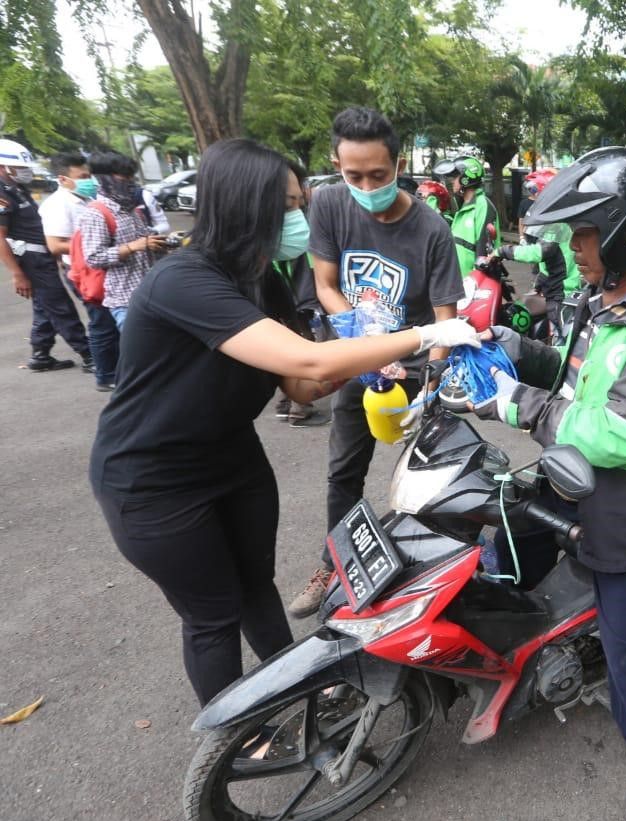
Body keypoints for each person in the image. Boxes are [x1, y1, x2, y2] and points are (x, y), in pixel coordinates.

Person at [88, 138, 479, 706]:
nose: (301, 218)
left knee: (256, 589)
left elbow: (301, 384)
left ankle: (297, 691)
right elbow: (307, 360)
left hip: (234, 461)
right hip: (153, 482)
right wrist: (427, 334)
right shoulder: (183, 280)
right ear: (250, 206)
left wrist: (368, 366)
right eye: (290, 206)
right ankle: (240, 737)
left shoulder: (263, 280)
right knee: (213, 614)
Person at [475, 147, 626, 821]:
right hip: (571, 473)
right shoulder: (603, 294)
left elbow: (619, 434)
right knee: (507, 537)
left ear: (621, 233)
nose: (572, 248)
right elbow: (575, 375)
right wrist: (510, 348)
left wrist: (521, 405)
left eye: (582, 234)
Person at [287, 107, 466, 618]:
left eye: (379, 175)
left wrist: (431, 386)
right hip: (359, 359)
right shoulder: (328, 205)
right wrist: (362, 336)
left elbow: (444, 316)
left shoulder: (430, 228)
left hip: (416, 364)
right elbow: (326, 285)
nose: (367, 186)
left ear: (399, 162)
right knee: (344, 471)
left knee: (434, 475)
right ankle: (332, 566)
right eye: (354, 175)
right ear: (337, 165)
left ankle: (442, 580)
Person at [0, 139, 93, 374]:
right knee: (60, 306)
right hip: (30, 260)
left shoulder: (16, 189)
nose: (26, 173)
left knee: (45, 305)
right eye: (21, 168)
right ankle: (89, 354)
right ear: (4, 167)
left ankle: (41, 354)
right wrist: (17, 274)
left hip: (41, 257)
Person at [40, 151, 120, 391]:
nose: (89, 180)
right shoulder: (57, 205)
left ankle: (117, 369)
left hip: (100, 266)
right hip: (83, 272)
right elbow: (54, 245)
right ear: (63, 178)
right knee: (102, 322)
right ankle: (105, 374)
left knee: (112, 319)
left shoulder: (85, 199)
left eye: (89, 175)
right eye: (82, 176)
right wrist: (99, 243)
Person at [270, 160, 330, 428]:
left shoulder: (277, 240)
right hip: (297, 302)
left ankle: (286, 403)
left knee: (283, 354)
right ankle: (298, 409)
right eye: (287, 204)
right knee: (301, 350)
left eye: (298, 203)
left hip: (288, 300)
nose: (296, 211)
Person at [80, 151, 168, 332]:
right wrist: (133, 247)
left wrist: (160, 243)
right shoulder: (96, 213)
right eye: (124, 177)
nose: (130, 182)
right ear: (104, 178)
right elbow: (94, 258)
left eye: (131, 176)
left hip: (151, 293)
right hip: (125, 301)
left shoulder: (131, 210)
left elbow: (145, 242)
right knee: (142, 355)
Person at [490, 220, 579, 342]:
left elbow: (539, 252)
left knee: (559, 327)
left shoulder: (558, 226)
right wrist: (538, 284)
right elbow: (550, 265)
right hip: (554, 284)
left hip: (564, 289)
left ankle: (560, 350)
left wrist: (503, 251)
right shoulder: (556, 223)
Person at [434, 155, 497, 277]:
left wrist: (476, 280)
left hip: (473, 283)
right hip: (459, 280)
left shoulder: (482, 205)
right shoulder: (464, 206)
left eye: (455, 177)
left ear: (466, 178)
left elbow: (483, 249)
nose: (452, 181)